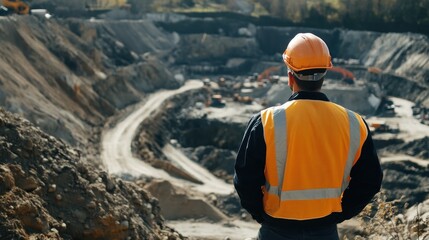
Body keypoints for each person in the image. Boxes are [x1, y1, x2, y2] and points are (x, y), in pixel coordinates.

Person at [234, 33, 383, 240]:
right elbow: (370, 180)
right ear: (325, 74)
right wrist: (341, 213)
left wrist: (262, 215)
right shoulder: (354, 123)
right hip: (325, 230)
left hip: (276, 230)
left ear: (290, 76)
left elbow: (245, 180)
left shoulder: (266, 121)